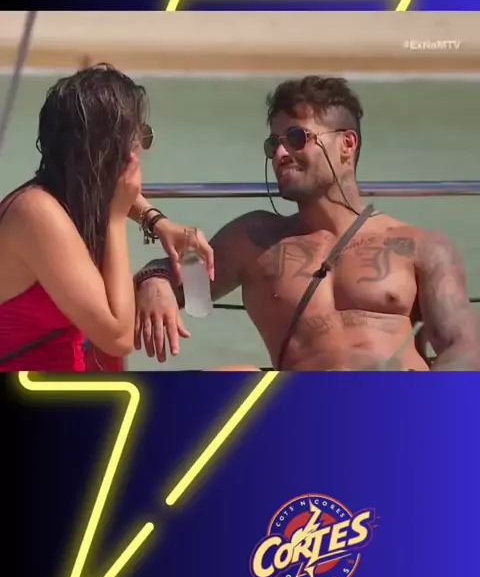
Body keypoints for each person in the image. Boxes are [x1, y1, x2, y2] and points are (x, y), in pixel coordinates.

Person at [134, 75, 480, 371]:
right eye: (273, 144)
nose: (280, 154)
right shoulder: (255, 241)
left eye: (297, 138)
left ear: (347, 145)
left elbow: (463, 348)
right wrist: (155, 279)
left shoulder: (419, 246)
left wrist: (424, 406)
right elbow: (184, 281)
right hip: (304, 411)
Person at [0, 64, 213, 371]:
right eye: (140, 136)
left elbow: (116, 192)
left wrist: (157, 222)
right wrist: (115, 219)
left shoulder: (66, 193)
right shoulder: (36, 215)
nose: (141, 151)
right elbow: (118, 337)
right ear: (110, 149)